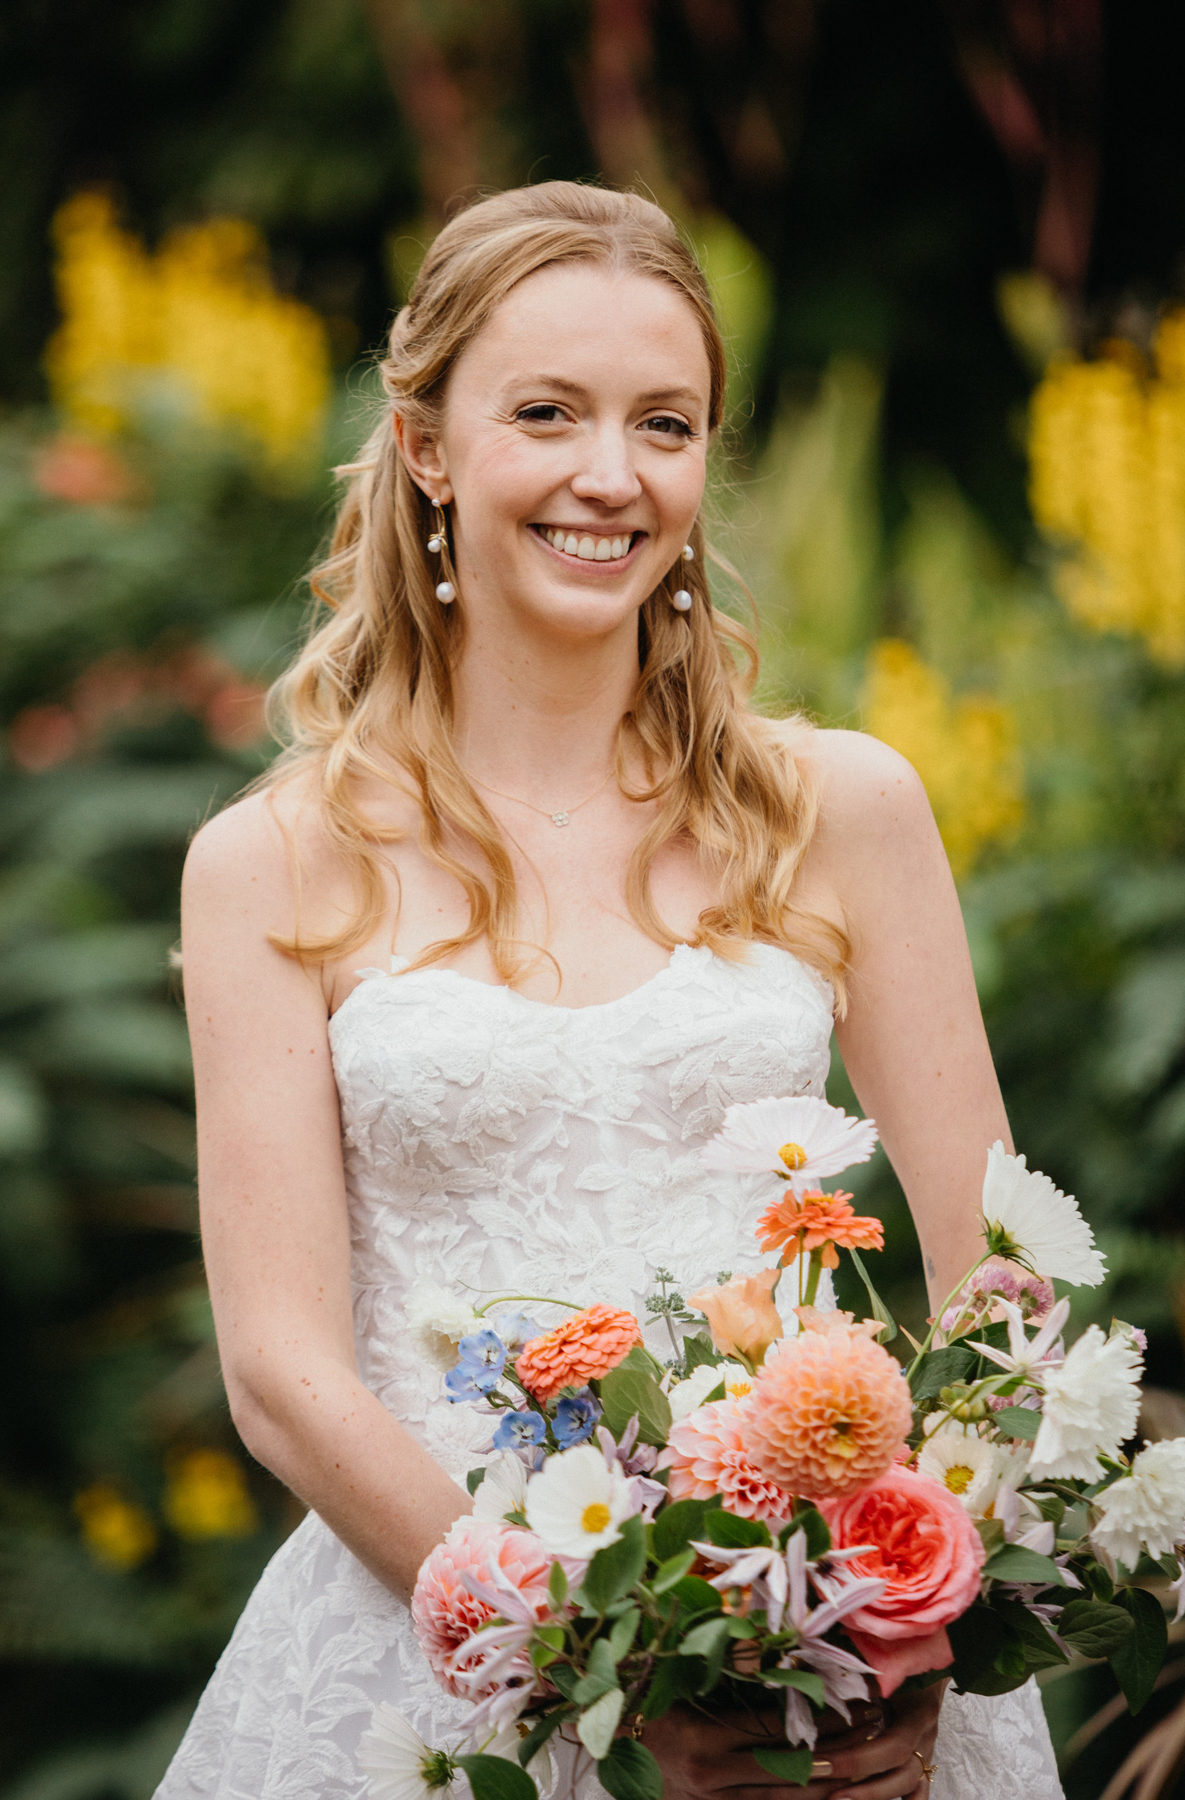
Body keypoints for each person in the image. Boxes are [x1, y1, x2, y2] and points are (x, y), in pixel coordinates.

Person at [155, 182, 1063, 1800]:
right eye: (547, 413)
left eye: (665, 423)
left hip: (819, 1661)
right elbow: (284, 1376)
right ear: (430, 446)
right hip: (431, 1657)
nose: (610, 474)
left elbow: (1001, 1263)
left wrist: (914, 1616)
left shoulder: (843, 809)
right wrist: (594, 1672)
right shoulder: (270, 863)